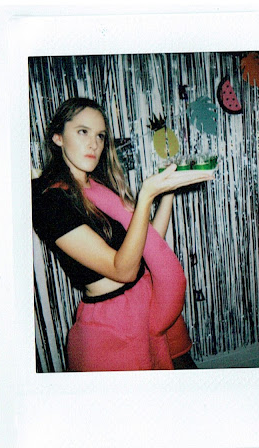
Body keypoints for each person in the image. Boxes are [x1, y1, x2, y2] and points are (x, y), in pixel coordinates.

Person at [31, 98, 214, 371]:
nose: (94, 144)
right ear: (58, 137)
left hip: (146, 302)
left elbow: (147, 244)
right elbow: (123, 269)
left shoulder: (98, 186)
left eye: (100, 136)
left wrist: (167, 193)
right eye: (83, 132)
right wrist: (145, 197)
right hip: (112, 321)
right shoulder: (49, 200)